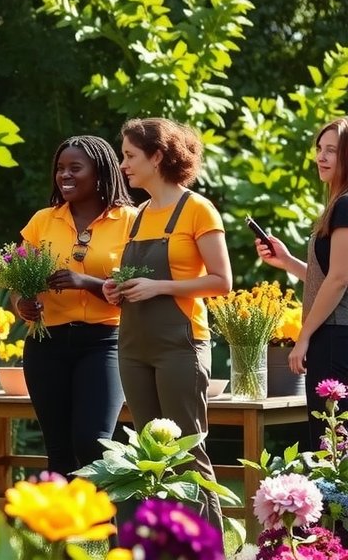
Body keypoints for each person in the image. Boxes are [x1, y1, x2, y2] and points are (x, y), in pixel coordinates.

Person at [104, 117, 232, 534]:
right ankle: (161, 542)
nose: (123, 164)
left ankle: (206, 544)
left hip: (180, 344)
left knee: (186, 451)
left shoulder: (197, 209)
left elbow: (222, 281)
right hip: (134, 345)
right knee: (149, 452)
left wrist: (158, 286)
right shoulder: (137, 215)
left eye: (130, 155)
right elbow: (136, 279)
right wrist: (116, 288)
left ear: (158, 156)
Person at [12, 136, 136, 476]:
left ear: (100, 174)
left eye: (75, 168)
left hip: (105, 343)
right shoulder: (43, 220)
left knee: (93, 442)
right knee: (58, 447)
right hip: (46, 344)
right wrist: (22, 303)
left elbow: (137, 289)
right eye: (60, 169)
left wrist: (89, 284)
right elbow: (18, 280)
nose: (64, 175)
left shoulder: (131, 221)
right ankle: (62, 527)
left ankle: (105, 524)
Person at [254, 117, 348, 446]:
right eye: (319, 149)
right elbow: (329, 276)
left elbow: (339, 279)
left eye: (332, 151)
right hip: (334, 335)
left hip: (336, 337)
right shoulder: (337, 205)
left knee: (331, 444)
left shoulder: (345, 205)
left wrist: (303, 336)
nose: (321, 157)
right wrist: (287, 261)